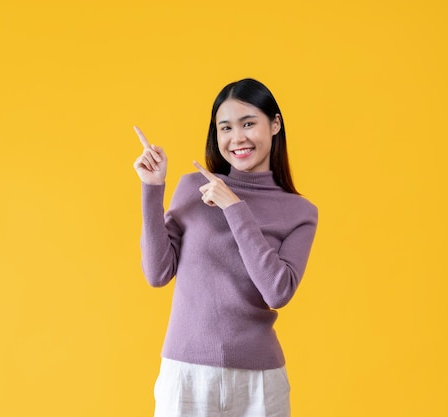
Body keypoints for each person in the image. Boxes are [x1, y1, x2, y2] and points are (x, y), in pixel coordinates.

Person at [133, 78, 318, 417]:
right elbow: (157, 273)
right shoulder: (193, 188)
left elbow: (277, 292)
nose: (237, 138)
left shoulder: (300, 212)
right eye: (226, 128)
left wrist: (235, 208)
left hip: (260, 381)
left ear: (275, 124)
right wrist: (152, 188)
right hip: (186, 373)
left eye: (249, 123)